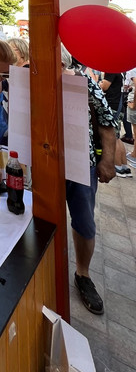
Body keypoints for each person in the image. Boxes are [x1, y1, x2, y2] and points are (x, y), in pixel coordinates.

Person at [62, 47, 117, 315]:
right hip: (45, 163)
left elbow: (107, 121)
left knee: (84, 220)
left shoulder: (83, 82)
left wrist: (107, 160)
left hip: (82, 162)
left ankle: (83, 275)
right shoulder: (28, 79)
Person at [99, 71, 132, 177]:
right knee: (117, 137)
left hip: (112, 107)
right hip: (119, 107)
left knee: (113, 138)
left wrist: (99, 83)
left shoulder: (111, 71)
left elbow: (104, 87)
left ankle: (117, 166)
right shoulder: (120, 72)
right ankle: (123, 166)